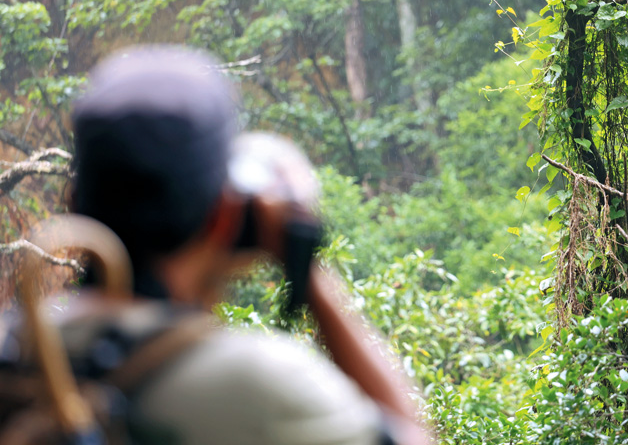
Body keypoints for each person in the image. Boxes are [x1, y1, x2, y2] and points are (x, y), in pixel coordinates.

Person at [33, 45, 429, 444]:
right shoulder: (257, 384)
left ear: (74, 203)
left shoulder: (15, 348)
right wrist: (305, 267)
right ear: (224, 214)